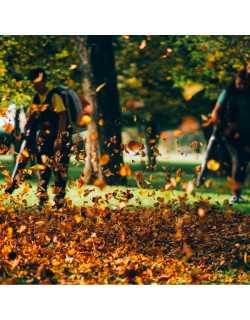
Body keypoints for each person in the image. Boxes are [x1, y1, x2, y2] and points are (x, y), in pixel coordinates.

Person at [5, 68, 72, 209]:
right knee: (43, 169)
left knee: (59, 169)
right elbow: (32, 116)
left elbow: (62, 116)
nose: (36, 85)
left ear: (44, 81)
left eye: (38, 82)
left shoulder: (54, 96)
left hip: (59, 139)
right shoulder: (36, 98)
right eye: (33, 83)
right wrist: (24, 131)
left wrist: (60, 138)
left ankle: (59, 203)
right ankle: (41, 200)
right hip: (45, 139)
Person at [209, 69, 250, 204]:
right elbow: (216, 112)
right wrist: (221, 123)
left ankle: (237, 193)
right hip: (230, 133)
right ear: (235, 81)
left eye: (244, 84)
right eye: (240, 83)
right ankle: (235, 195)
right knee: (238, 160)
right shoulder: (228, 93)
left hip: (246, 133)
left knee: (243, 162)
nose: (241, 86)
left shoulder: (247, 94)